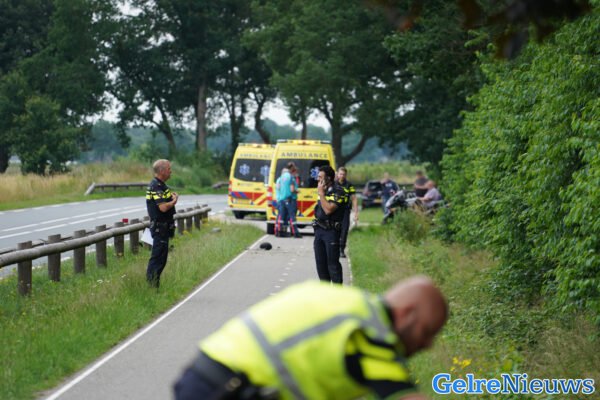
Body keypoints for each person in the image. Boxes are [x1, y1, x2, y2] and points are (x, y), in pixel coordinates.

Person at [173, 276, 448, 400]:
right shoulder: (371, 334)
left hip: (204, 374)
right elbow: (403, 396)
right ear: (406, 314)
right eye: (426, 332)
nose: (428, 345)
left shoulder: (342, 300)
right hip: (229, 390)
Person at [146, 159, 178, 288]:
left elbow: (167, 199)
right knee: (157, 259)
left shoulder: (162, 185)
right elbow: (163, 207)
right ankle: (151, 287)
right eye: (169, 169)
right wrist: (174, 201)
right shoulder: (156, 186)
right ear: (162, 171)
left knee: (162, 259)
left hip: (164, 228)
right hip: (160, 228)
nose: (171, 171)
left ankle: (155, 286)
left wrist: (173, 197)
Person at [313, 165, 348, 283]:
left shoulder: (339, 191)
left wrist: (321, 194)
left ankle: (337, 292)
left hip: (331, 232)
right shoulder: (323, 190)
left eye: (320, 177)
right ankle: (325, 292)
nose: (318, 179)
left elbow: (328, 210)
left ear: (328, 178)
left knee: (333, 265)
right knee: (321, 265)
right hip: (319, 231)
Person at [336, 166, 358, 258]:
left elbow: (354, 198)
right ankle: (334, 248)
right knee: (335, 229)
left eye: (343, 174)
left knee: (344, 229)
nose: (342, 176)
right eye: (340, 174)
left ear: (346, 175)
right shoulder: (333, 184)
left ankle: (342, 249)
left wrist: (356, 212)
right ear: (337, 174)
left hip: (345, 210)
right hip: (335, 210)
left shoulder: (349, 185)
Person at [275, 168, 290, 237]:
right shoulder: (281, 180)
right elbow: (280, 189)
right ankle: (280, 231)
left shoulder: (279, 179)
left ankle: (279, 231)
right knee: (282, 217)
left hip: (280, 199)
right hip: (281, 200)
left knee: (281, 217)